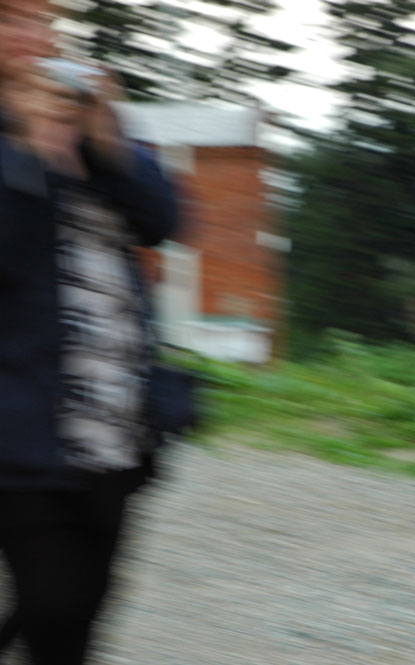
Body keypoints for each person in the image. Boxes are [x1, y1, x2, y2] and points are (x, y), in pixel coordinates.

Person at [0, 1, 181, 663]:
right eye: (12, 17)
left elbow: (163, 220)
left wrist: (108, 143)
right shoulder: (23, 136)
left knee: (83, 608)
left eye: (43, 18)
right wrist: (35, 151)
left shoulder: (84, 118)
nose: (35, 33)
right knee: (54, 602)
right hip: (20, 428)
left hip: (114, 427)